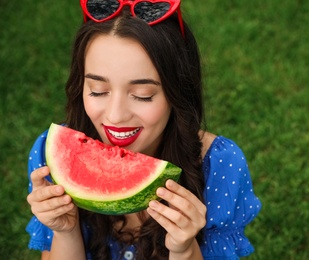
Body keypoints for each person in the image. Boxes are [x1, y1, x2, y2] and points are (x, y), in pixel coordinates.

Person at [26, 0, 261, 259]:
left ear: (176, 93)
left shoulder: (220, 166)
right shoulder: (50, 155)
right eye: (98, 90)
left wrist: (184, 249)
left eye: (143, 94)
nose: (115, 116)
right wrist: (66, 232)